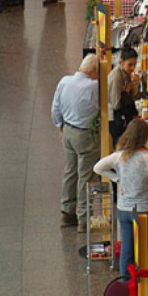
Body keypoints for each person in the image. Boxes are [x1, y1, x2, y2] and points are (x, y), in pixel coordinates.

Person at [94, 119, 148, 279]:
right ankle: (143, 289)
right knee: (144, 252)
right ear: (145, 137)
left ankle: (126, 285)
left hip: (124, 209)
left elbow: (97, 167)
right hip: (147, 210)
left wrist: (117, 178)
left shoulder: (119, 156)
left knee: (127, 248)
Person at [52, 54, 101, 233]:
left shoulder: (64, 81)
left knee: (70, 171)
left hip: (67, 131)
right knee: (85, 177)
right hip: (85, 135)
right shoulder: (94, 87)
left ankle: (67, 212)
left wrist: (60, 126)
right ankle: (83, 218)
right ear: (94, 71)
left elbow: (55, 107)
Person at [107, 48, 141, 147]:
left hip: (122, 117)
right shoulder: (116, 77)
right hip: (114, 119)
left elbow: (133, 96)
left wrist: (135, 84)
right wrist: (125, 92)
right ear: (121, 62)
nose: (132, 68)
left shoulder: (126, 74)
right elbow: (116, 104)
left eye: (134, 65)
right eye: (130, 65)